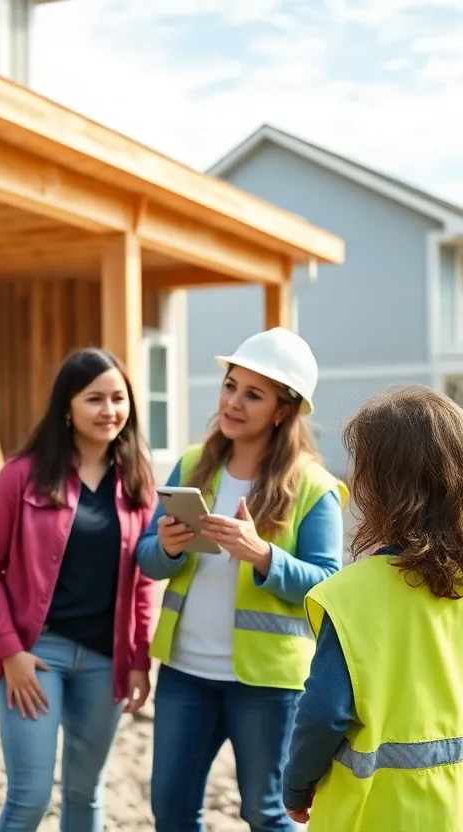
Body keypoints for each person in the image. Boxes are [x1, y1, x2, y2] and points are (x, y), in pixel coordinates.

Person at [137, 327, 347, 832]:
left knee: (267, 814)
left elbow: (329, 585)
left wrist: (261, 555)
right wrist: (166, 547)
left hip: (268, 684)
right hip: (186, 673)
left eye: (253, 394)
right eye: (231, 385)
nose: (233, 401)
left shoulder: (314, 486)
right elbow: (146, 558)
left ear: (282, 409)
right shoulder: (192, 463)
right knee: (171, 808)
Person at [282, 385, 463, 831]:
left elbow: (323, 713)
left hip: (371, 817)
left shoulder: (351, 595)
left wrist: (296, 785)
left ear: (381, 487)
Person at [0, 348, 158, 832]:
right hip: (36, 655)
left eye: (119, 398)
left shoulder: (138, 482)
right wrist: (9, 652)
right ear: (67, 406)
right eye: (95, 398)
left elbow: (141, 582)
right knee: (29, 798)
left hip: (105, 661)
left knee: (85, 793)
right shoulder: (21, 474)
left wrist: (138, 659)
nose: (109, 410)